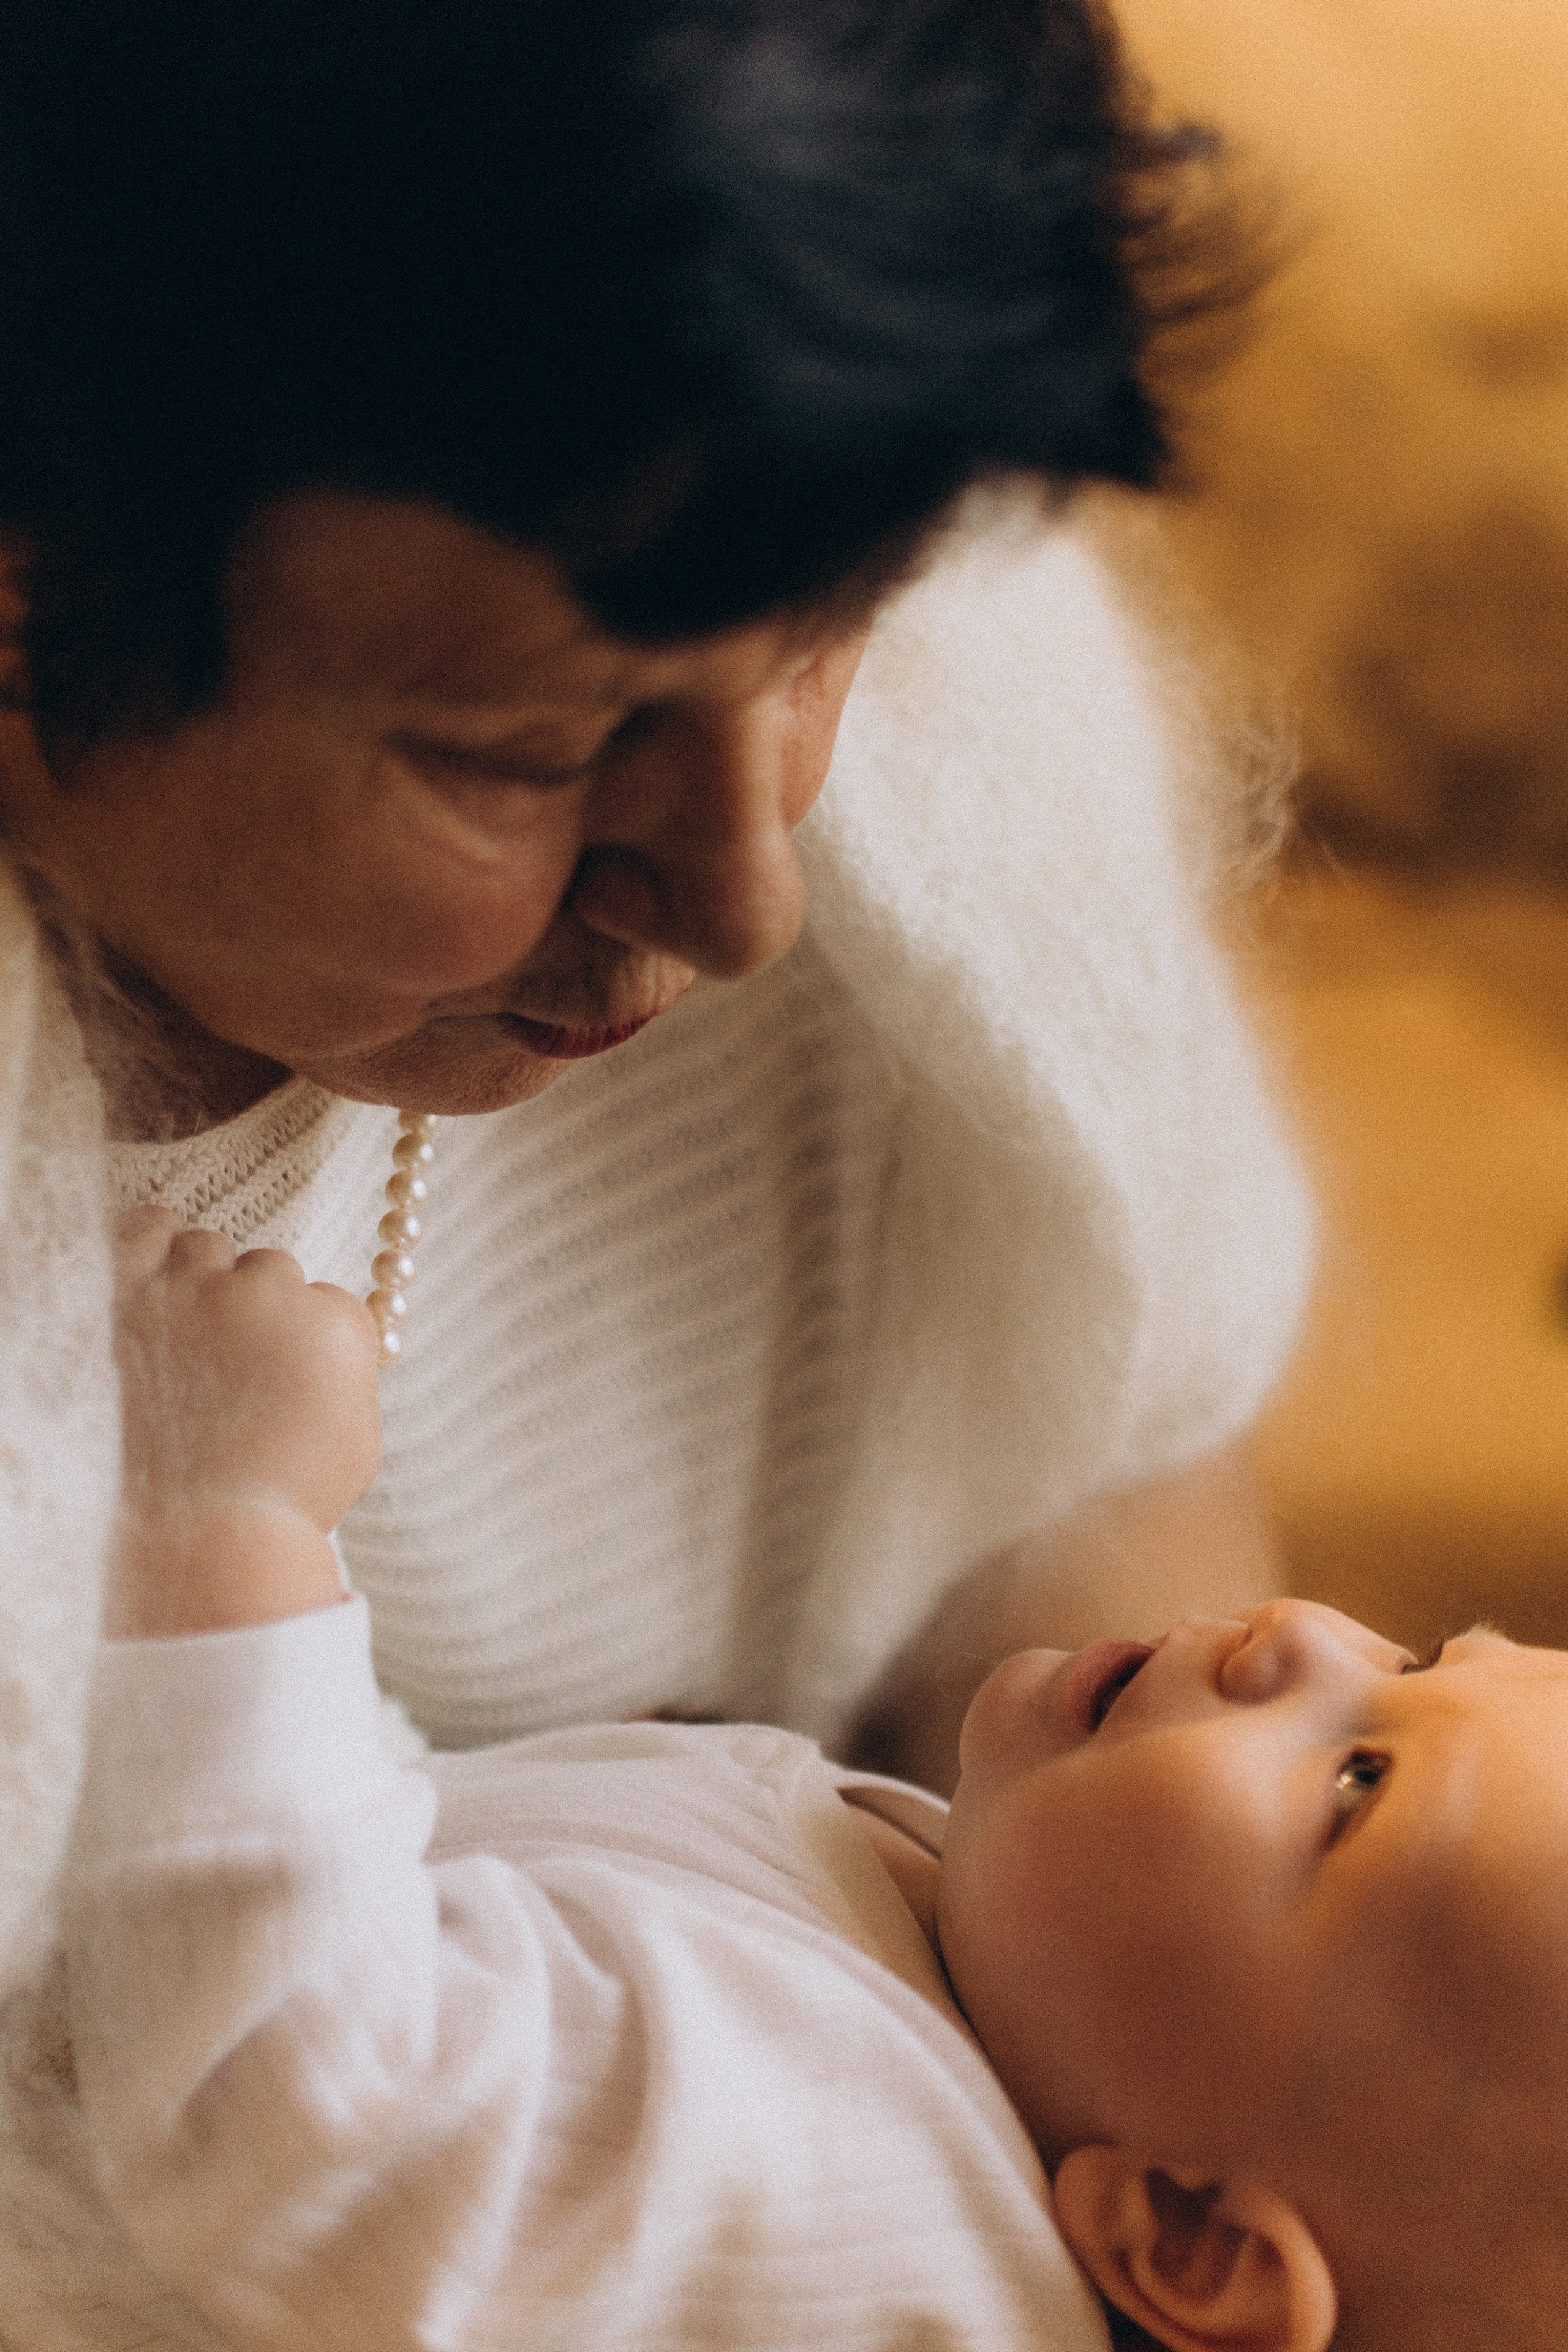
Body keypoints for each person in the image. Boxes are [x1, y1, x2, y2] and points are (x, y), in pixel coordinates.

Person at [0, 0, 1311, 2085]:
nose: (742, 899)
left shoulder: (864, 580)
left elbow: (1092, 1465)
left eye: (831, 632)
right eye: (531, 753)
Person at [56, 1215, 1568, 2352]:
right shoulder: (973, 1955)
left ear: (1181, 2235)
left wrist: (226, 1513)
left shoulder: (877, 2196)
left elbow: (310, 2109)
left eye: (1354, 1785)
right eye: (1422, 1655)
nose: (1300, 1631)